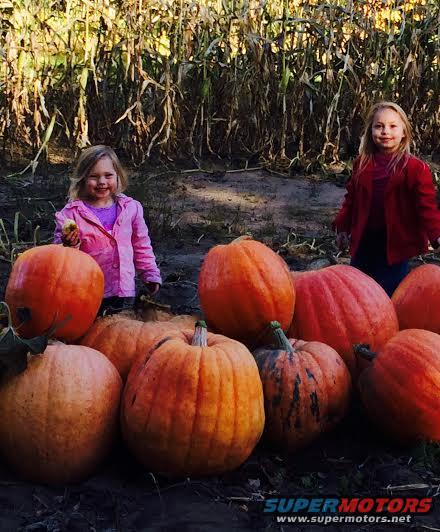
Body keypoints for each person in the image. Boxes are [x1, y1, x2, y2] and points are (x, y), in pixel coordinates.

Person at [333, 101, 440, 297]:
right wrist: (342, 227)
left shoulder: (415, 169)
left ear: (404, 132)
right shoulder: (362, 164)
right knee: (357, 289)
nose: (385, 131)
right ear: (370, 131)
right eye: (378, 126)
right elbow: (352, 200)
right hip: (364, 238)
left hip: (395, 243)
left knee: (389, 292)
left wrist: (436, 234)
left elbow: (426, 206)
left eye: (392, 126)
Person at [54, 145, 162, 315]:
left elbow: (141, 245)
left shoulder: (131, 209)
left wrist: (149, 273)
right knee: (90, 333)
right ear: (82, 179)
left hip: (123, 290)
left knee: (118, 331)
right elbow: (59, 258)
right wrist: (69, 243)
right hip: (87, 291)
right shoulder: (70, 214)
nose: (102, 182)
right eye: (94, 177)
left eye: (108, 175)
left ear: (118, 177)